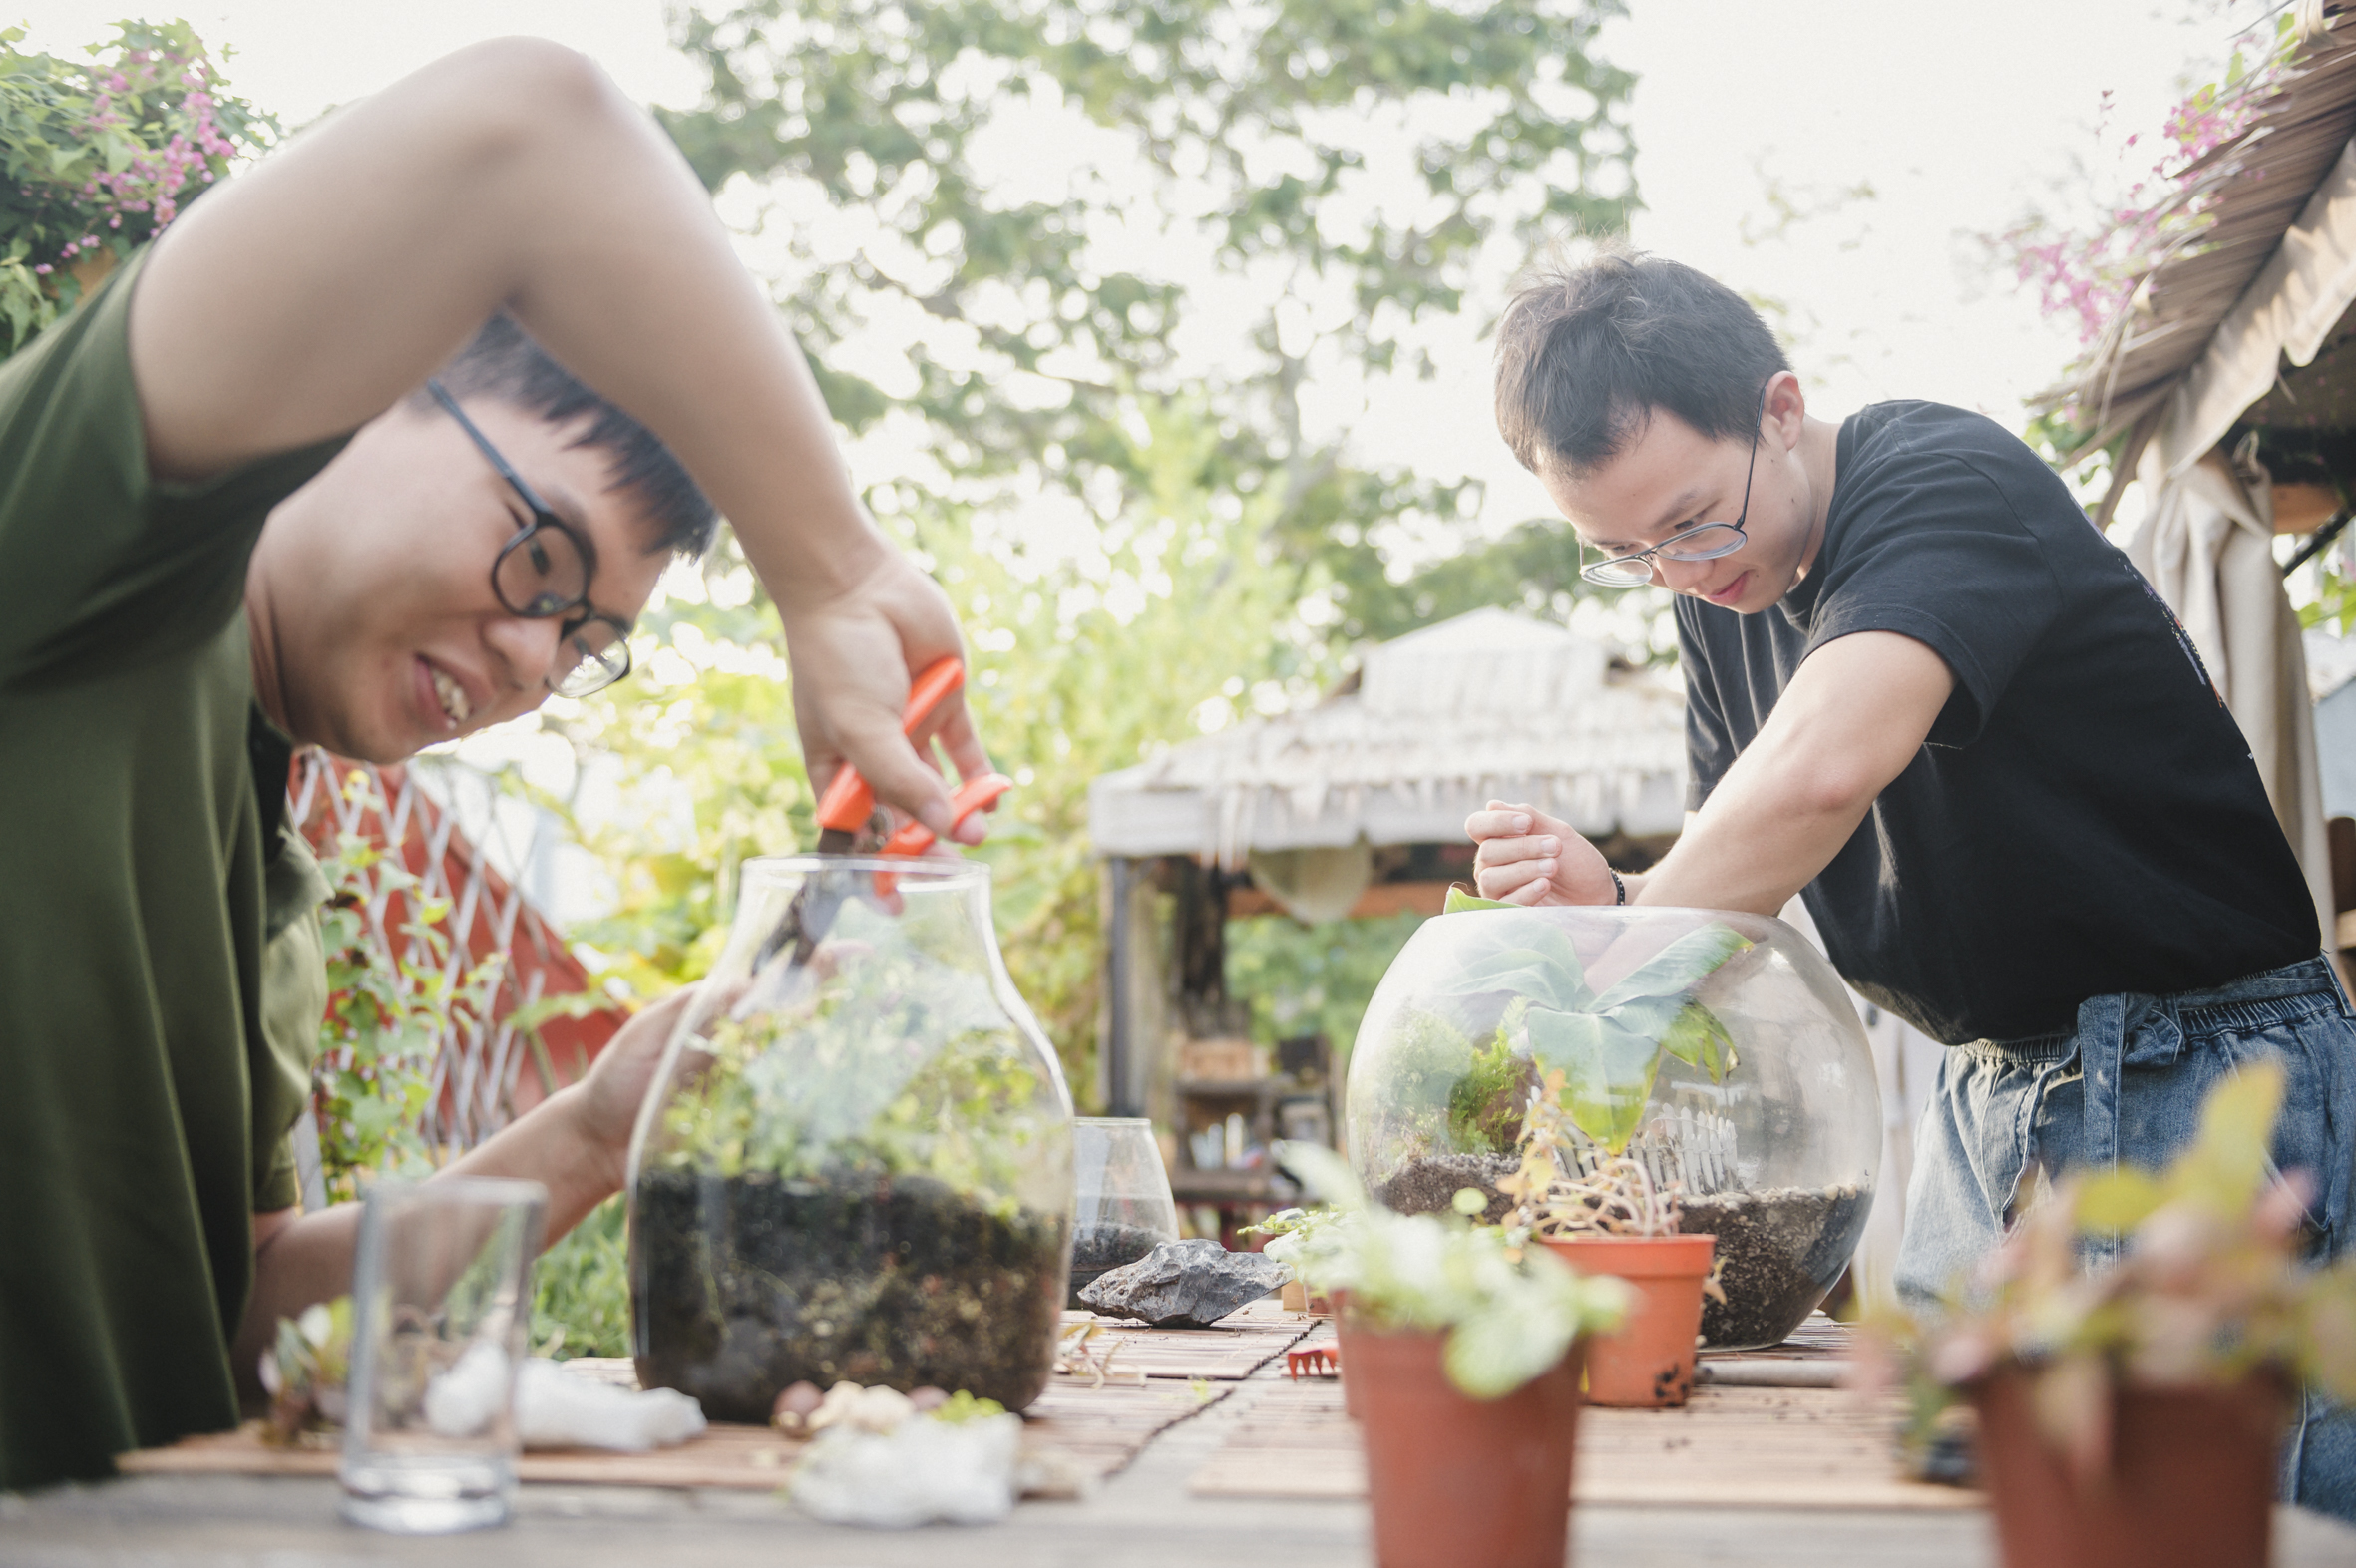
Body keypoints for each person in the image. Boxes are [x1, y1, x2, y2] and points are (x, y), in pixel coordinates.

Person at [0, 40, 995, 1491]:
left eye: (586, 638)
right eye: (547, 558)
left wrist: (599, 1126)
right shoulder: (83, 560)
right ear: (366, 384)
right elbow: (529, 129)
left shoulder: (267, 871)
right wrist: (832, 571)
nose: (537, 665)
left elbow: (236, 1321)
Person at [1465, 244, 2355, 1516]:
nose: (1678, 570)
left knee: (2202, 1523)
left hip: (2202, 1075)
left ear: (1780, 410)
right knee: (1957, 1510)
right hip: (1986, 1090)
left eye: (1691, 519)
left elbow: (1821, 772)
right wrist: (1613, 901)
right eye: (1621, 550)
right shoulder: (1716, 591)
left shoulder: (1940, 475)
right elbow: (1737, 875)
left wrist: (1609, 961)